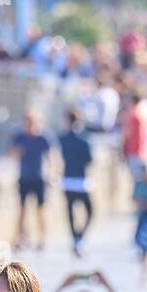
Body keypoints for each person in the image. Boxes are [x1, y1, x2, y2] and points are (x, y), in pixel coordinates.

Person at [10, 109, 53, 251]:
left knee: (40, 210)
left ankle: (42, 238)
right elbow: (11, 155)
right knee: (21, 210)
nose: (29, 125)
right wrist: (18, 151)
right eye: (27, 122)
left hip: (39, 178)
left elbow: (52, 155)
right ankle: (20, 238)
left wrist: (53, 173)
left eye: (32, 122)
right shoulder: (20, 138)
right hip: (24, 178)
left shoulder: (43, 137)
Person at [58, 108, 93, 257]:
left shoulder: (62, 139)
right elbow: (89, 159)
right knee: (89, 210)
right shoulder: (84, 139)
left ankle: (75, 238)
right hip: (81, 179)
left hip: (67, 179)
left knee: (70, 210)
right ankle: (79, 238)